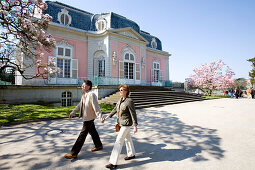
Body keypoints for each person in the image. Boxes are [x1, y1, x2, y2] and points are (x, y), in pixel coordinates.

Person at [64, 80, 104, 159]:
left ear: (88, 86)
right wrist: (73, 112)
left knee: (82, 135)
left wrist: (100, 117)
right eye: (82, 86)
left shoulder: (92, 94)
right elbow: (80, 105)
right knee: (93, 131)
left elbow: (96, 107)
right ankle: (98, 145)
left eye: (83, 85)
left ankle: (74, 153)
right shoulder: (84, 94)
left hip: (89, 118)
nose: (82, 87)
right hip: (86, 117)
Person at [102, 85, 138, 169]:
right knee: (127, 139)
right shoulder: (120, 100)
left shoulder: (129, 101)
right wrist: (106, 118)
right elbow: (115, 110)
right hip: (121, 123)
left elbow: (133, 114)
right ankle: (131, 154)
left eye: (121, 90)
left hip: (126, 124)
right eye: (119, 90)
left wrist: (135, 126)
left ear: (126, 91)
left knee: (118, 141)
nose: (120, 91)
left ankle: (113, 162)